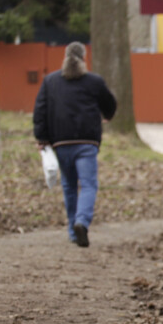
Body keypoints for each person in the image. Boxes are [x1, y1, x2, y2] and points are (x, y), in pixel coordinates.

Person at [33, 42, 117, 248]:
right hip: (86, 143)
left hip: (60, 143)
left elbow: (40, 112)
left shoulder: (50, 81)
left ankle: (73, 231)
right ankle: (82, 221)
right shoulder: (94, 81)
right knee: (88, 184)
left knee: (69, 186)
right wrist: (106, 115)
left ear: (65, 57)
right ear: (84, 57)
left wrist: (42, 139)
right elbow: (110, 104)